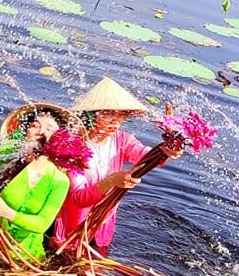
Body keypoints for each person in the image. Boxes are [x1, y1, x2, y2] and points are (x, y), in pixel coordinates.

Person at [52, 77, 180, 256]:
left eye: (120, 116)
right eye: (108, 114)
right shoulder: (72, 145)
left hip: (102, 226)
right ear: (90, 114)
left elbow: (145, 157)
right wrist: (113, 180)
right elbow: (79, 199)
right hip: (71, 228)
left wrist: (167, 148)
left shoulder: (121, 140)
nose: (115, 122)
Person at [0, 106, 88, 263]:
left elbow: (42, 224)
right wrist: (22, 157)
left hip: (25, 258)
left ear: (60, 138)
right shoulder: (7, 160)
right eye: (35, 126)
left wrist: (7, 213)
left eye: (50, 128)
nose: (41, 132)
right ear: (25, 132)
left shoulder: (59, 180)